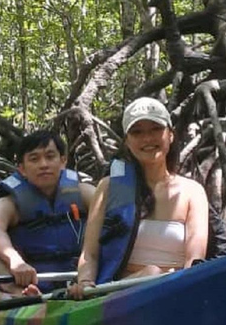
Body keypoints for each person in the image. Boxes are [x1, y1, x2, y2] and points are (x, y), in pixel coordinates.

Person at [68, 97, 210, 299]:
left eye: (155, 129)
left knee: (155, 274)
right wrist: (85, 282)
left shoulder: (192, 192)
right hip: (117, 296)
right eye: (137, 132)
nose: (147, 139)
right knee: (152, 272)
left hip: (176, 294)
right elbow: (89, 255)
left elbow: (194, 261)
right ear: (127, 141)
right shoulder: (108, 188)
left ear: (170, 135)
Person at [0, 130, 96, 296]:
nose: (43, 164)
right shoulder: (10, 203)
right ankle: (18, 293)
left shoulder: (83, 193)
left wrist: (86, 278)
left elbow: (115, 215)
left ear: (63, 161)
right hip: (27, 278)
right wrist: (16, 261)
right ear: (22, 169)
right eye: (34, 159)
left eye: (50, 157)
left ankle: (86, 287)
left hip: (78, 275)